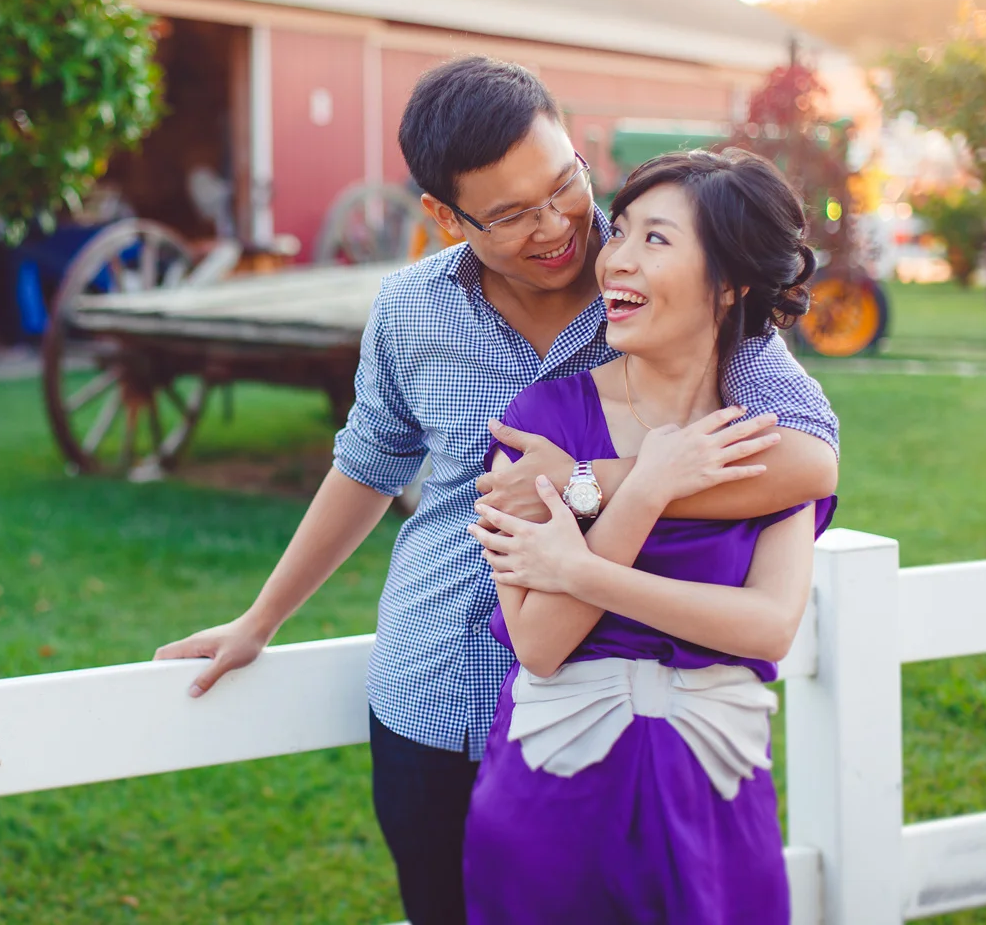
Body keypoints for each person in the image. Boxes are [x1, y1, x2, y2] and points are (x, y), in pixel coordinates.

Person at [154, 56, 839, 925]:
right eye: (512, 214)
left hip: (612, 702)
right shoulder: (411, 310)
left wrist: (587, 484)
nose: (558, 227)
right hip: (440, 689)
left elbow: (810, 458)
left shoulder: (666, 281)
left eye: (566, 186)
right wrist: (262, 618)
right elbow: (367, 464)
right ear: (445, 216)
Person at [464, 149, 837, 923]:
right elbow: (539, 643)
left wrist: (590, 565)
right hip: (550, 802)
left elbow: (769, 626)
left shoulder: (766, 445)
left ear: (729, 282)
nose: (616, 259)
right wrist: (650, 485)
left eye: (656, 240)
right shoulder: (536, 425)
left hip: (716, 798)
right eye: (621, 231)